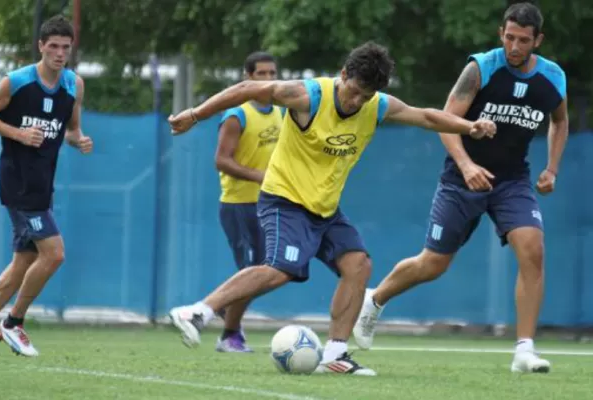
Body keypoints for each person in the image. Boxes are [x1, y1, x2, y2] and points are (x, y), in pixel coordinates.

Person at [167, 41, 496, 376]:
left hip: (324, 209)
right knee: (279, 269)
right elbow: (248, 88)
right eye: (353, 91)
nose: (357, 102)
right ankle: (198, 311)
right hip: (285, 199)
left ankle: (335, 354)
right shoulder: (308, 96)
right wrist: (195, 115)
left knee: (358, 265)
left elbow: (426, 116)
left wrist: (469, 127)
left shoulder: (376, 106)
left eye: (365, 97)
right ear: (343, 75)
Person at [353, 3, 567, 374]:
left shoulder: (552, 77)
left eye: (524, 41)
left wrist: (551, 167)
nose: (515, 46)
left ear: (538, 41)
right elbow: (445, 120)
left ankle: (524, 350)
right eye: (509, 37)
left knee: (533, 249)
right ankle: (375, 299)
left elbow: (559, 121)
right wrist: (467, 166)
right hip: (460, 179)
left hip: (512, 180)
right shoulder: (481, 68)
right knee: (433, 263)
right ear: (501, 33)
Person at [0, 15, 93, 357]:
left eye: (66, 47)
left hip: (41, 186)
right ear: (41, 46)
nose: (60, 53)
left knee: (21, 264)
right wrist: (18, 133)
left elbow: (71, 129)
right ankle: (13, 324)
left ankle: (4, 320)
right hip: (17, 184)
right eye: (53, 46)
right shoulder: (17, 81)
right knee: (54, 254)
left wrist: (79, 140)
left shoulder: (73, 85)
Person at [213, 51, 282, 353]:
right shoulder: (236, 114)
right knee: (251, 270)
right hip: (239, 204)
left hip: (270, 204)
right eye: (261, 74)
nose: (267, 80)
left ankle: (223, 303)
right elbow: (221, 161)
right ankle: (229, 335)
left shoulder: (281, 111)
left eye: (272, 74)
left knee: (273, 272)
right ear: (247, 77)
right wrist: (259, 176)